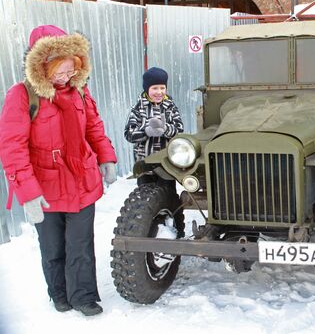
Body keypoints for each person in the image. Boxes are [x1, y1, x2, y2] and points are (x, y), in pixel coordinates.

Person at [0, 25, 117, 316]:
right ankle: (59, 294)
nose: (66, 78)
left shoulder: (79, 90)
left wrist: (106, 158)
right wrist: (27, 193)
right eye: (60, 72)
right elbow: (12, 147)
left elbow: (93, 126)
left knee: (81, 244)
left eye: (71, 70)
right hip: (46, 184)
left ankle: (84, 296)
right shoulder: (22, 96)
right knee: (53, 248)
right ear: (42, 66)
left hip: (80, 178)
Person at [124, 67, 184, 188]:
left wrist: (165, 129)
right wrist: (146, 131)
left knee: (167, 193)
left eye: (162, 88)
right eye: (154, 88)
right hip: (144, 164)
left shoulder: (170, 107)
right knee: (144, 195)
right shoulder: (138, 108)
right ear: (147, 89)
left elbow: (179, 129)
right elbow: (129, 134)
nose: (159, 92)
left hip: (166, 163)